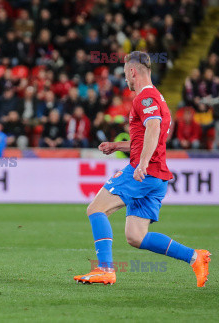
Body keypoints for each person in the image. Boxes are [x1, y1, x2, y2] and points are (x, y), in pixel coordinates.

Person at [73, 52, 211, 287]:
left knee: (96, 209)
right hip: (157, 176)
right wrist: (117, 145)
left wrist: (143, 163)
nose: (124, 78)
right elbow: (148, 137)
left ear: (132, 71)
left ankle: (105, 269)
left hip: (144, 171)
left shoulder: (144, 98)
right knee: (136, 236)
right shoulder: (158, 97)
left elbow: (153, 129)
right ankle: (195, 257)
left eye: (125, 72)